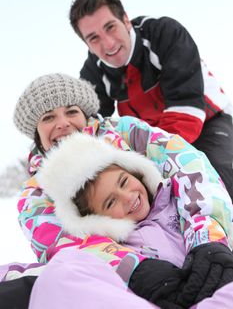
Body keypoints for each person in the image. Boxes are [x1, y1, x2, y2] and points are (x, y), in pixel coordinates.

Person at [13, 72, 233, 308]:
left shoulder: (127, 132)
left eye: (71, 111)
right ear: (36, 133)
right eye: (48, 117)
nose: (63, 123)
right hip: (131, 281)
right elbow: (59, 244)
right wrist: (136, 269)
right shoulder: (36, 194)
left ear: (85, 114)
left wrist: (207, 240)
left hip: (186, 238)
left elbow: (188, 166)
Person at [38, 131, 233, 308]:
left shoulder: (179, 199)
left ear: (134, 171)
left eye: (123, 182)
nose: (128, 197)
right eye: (110, 202)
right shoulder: (120, 249)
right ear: (95, 219)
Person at [69, 0, 233, 199]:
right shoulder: (93, 73)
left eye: (110, 27)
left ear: (126, 20)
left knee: (213, 181)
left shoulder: (164, 34)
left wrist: (151, 162)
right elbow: (91, 126)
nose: (108, 44)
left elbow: (187, 108)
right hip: (155, 139)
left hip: (207, 122)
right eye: (94, 38)